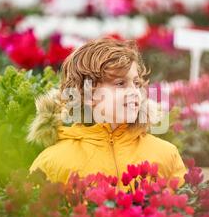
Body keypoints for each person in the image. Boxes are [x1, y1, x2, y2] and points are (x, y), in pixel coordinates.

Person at [27, 38, 187, 188]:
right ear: (88, 94)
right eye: (120, 83)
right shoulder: (52, 162)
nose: (134, 92)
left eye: (136, 83)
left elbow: (184, 212)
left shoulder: (166, 154)